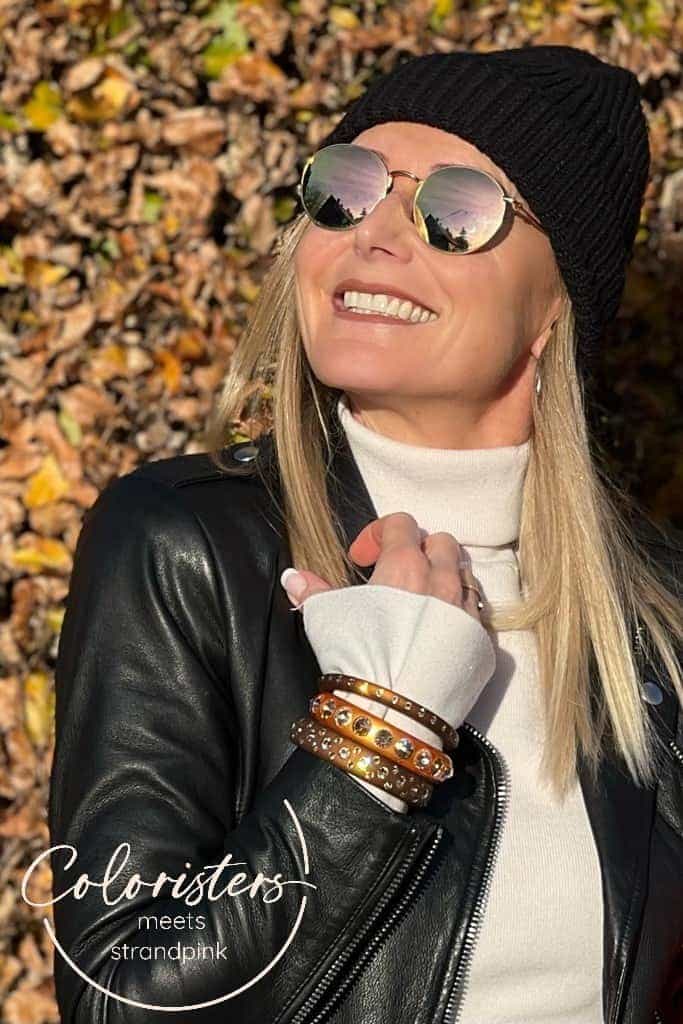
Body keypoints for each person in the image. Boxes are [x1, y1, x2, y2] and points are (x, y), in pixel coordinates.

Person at [48, 46, 683, 1024]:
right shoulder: (185, 546)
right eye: (343, 189)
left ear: (554, 307)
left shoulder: (655, 620)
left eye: (453, 210)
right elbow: (122, 1001)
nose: (374, 234)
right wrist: (376, 732)